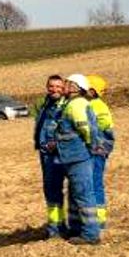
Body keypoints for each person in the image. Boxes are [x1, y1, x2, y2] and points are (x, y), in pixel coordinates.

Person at [54, 74, 105, 244]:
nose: (65, 85)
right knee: (76, 194)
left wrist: (91, 146)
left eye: (68, 83)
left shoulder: (76, 105)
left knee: (83, 194)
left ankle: (91, 234)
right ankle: (77, 229)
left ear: (77, 87)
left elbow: (86, 129)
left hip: (78, 156)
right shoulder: (73, 103)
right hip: (73, 156)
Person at [32, 74, 69, 237]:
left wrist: (55, 143)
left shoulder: (66, 105)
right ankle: (56, 226)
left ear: (64, 89)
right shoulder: (45, 104)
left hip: (59, 153)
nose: (54, 89)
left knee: (64, 190)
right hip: (45, 154)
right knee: (50, 191)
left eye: (58, 87)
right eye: (51, 86)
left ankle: (63, 228)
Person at [85, 75, 117, 212]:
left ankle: (98, 215)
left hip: (98, 147)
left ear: (92, 91)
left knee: (94, 181)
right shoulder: (94, 104)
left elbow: (104, 123)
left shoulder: (95, 105)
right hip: (99, 147)